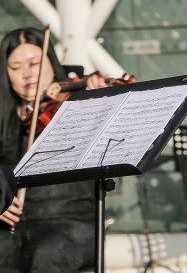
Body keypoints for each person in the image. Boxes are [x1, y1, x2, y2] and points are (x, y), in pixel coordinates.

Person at [0, 27, 109, 273]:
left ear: (51, 62)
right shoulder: (3, 116)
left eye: (35, 63)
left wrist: (97, 105)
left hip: (72, 220)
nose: (27, 75)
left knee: (46, 254)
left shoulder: (74, 104)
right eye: (15, 68)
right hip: (15, 224)